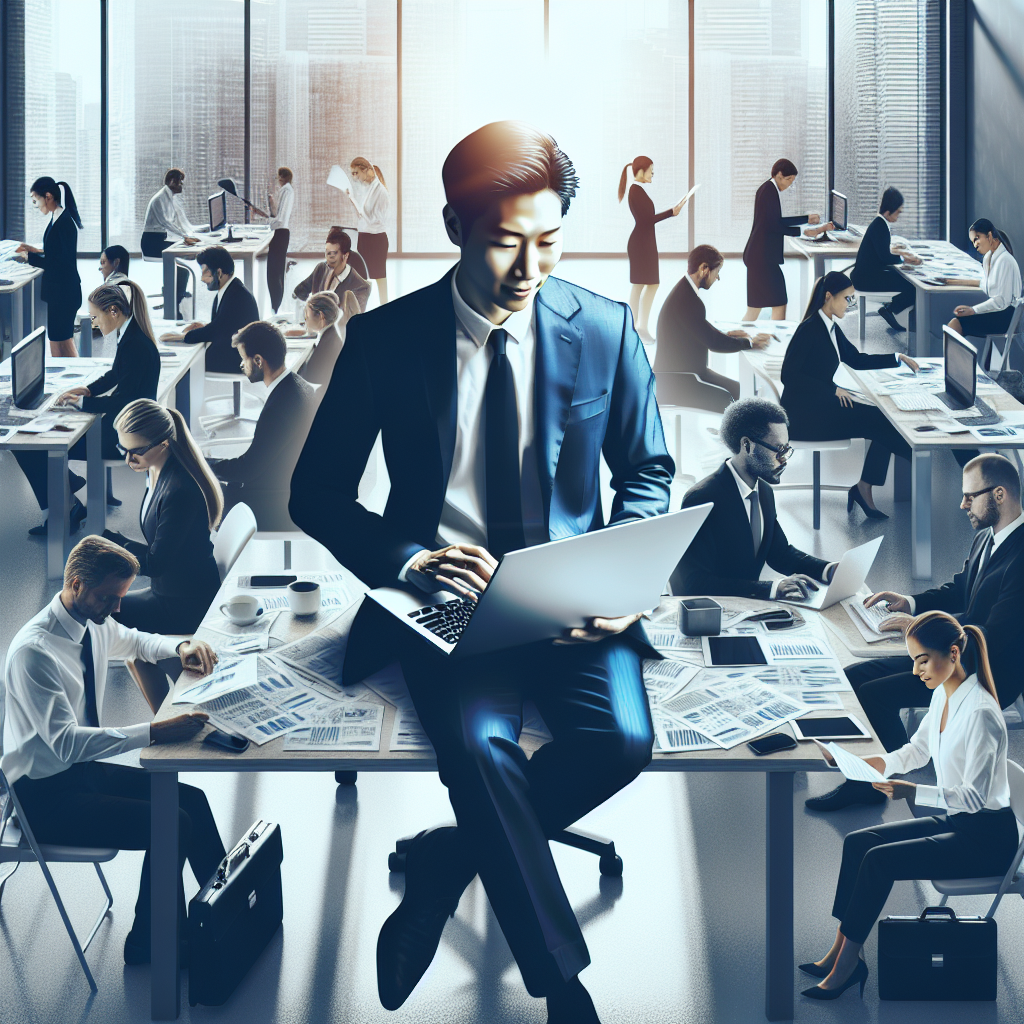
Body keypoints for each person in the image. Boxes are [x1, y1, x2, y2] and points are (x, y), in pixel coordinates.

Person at [290, 120, 673, 1024]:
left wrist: (619, 575)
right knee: (477, 747)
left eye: (549, 240)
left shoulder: (607, 331)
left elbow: (648, 470)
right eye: (506, 241)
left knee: (621, 742)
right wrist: (412, 559)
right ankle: (561, 984)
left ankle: (446, 861)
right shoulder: (384, 340)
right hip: (444, 603)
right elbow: (317, 493)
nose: (529, 266)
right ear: (458, 225)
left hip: (575, 597)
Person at [1, 535, 227, 966]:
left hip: (78, 774)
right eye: (109, 597)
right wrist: (155, 732)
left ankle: (219, 911)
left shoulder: (93, 622)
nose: (117, 608)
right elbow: (65, 743)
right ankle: (152, 942)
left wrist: (180, 647)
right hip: (43, 798)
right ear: (75, 583)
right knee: (173, 823)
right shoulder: (35, 653)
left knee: (191, 802)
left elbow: (138, 641)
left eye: (120, 597)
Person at [800, 611, 1018, 1001]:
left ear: (953, 654)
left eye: (922, 660)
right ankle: (842, 949)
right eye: (912, 661)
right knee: (858, 842)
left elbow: (974, 798)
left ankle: (847, 966)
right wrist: (858, 763)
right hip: (962, 824)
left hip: (987, 840)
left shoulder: (982, 714)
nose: (916, 671)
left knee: (879, 861)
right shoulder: (943, 696)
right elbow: (915, 751)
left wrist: (912, 793)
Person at [808, 453, 1024, 811]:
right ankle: (869, 779)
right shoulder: (988, 536)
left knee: (875, 694)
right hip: (952, 654)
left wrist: (921, 630)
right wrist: (908, 602)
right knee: (853, 678)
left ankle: (873, 786)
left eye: (971, 496)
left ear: (999, 495)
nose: (962, 504)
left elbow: (994, 635)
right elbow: (960, 588)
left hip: (985, 671)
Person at [13, 281, 160, 537]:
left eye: (95, 316)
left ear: (113, 311)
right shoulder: (132, 333)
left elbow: (120, 402)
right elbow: (116, 373)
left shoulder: (135, 345)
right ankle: (69, 497)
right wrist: (89, 389)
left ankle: (59, 514)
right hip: (127, 424)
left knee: (30, 444)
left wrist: (80, 404)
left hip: (126, 437)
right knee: (34, 440)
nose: (94, 323)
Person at [780, 270, 917, 519]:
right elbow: (789, 377)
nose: (850, 305)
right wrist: (832, 389)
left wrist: (897, 358)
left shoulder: (830, 326)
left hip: (821, 406)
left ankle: (868, 485)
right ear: (829, 297)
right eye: (847, 299)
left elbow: (855, 359)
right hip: (805, 418)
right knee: (879, 421)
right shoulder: (809, 330)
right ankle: (915, 458)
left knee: (881, 416)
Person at [670, 398, 837, 599]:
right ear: (747, 445)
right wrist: (771, 589)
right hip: (714, 615)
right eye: (778, 450)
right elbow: (694, 583)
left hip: (749, 607)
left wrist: (829, 570)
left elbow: (780, 554)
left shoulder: (764, 491)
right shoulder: (702, 498)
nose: (784, 459)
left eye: (787, 450)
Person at [100, 399, 223, 637]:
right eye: (123, 449)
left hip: (184, 606)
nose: (128, 460)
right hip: (169, 591)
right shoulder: (157, 470)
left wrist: (111, 548)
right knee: (89, 601)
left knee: (87, 608)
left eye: (137, 451)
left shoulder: (179, 491)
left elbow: (156, 564)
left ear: (164, 443)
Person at [210, 321, 316, 530]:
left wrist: (204, 465)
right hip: (293, 489)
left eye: (244, 360)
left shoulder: (281, 405)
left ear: (258, 360)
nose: (242, 366)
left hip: (277, 505)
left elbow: (248, 469)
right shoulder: (298, 386)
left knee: (198, 496)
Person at [654, 243, 771, 405]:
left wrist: (728, 335)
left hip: (679, 375)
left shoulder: (684, 292)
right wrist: (749, 343)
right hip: (682, 381)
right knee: (739, 393)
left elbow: (700, 328)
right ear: (704, 269)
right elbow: (713, 343)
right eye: (717, 272)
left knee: (740, 389)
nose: (717, 278)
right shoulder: (689, 300)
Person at [742, 158, 829, 321]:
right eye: (789, 180)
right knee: (779, 302)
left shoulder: (767, 188)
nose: (789, 185)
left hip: (757, 256)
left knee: (754, 309)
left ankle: (739, 343)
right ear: (779, 175)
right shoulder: (769, 191)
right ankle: (777, 341)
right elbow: (775, 226)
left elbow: (776, 221)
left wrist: (806, 219)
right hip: (762, 259)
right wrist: (805, 232)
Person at [159, 246, 259, 373]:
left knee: (185, 362)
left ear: (219, 272)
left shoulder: (236, 296)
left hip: (237, 360)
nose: (202, 279)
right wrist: (203, 326)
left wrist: (182, 337)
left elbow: (216, 331)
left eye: (206, 273)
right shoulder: (231, 289)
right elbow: (224, 325)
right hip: (233, 352)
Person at [617, 156, 686, 339]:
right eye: (651, 172)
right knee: (640, 285)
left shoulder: (637, 190)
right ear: (641, 171)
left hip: (645, 243)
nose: (652, 176)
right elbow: (647, 220)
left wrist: (672, 212)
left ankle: (639, 327)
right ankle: (635, 328)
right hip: (641, 244)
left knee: (647, 284)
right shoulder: (636, 191)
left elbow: (647, 220)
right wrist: (672, 212)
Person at [14, 176, 83, 357]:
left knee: (62, 343)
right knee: (58, 341)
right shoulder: (57, 219)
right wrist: (33, 249)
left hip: (64, 293)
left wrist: (28, 256)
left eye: (36, 200)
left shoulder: (64, 223)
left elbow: (58, 263)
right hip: (61, 292)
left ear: (48, 196)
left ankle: (77, 381)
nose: (36, 205)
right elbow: (55, 252)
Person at [850, 186, 921, 332]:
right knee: (914, 287)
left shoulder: (879, 223)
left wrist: (901, 255)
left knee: (906, 280)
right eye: (897, 213)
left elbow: (882, 253)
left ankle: (891, 309)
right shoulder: (880, 227)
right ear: (889, 212)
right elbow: (885, 258)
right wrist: (904, 259)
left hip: (867, 274)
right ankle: (890, 309)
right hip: (867, 280)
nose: (898, 216)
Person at [948, 218, 1022, 353]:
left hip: (1006, 317)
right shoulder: (988, 258)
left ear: (989, 236)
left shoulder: (1005, 260)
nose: (975, 244)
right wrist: (958, 281)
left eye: (977, 239)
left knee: (955, 324)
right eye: (972, 241)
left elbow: (1001, 301)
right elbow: (987, 285)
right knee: (955, 322)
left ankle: (957, 370)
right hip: (998, 312)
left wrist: (973, 310)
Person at [141, 168, 199, 317]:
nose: (182, 185)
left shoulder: (171, 198)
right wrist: (185, 237)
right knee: (182, 263)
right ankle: (172, 303)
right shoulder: (160, 199)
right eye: (180, 182)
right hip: (152, 242)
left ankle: (174, 298)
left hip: (161, 238)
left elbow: (181, 221)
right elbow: (166, 223)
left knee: (183, 262)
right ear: (172, 182)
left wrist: (193, 233)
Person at [291, 227, 371, 311]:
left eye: (333, 254)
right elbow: (300, 291)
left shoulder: (361, 287)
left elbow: (353, 320)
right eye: (327, 253)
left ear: (345, 256)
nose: (329, 258)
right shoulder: (321, 268)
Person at [348, 157, 390, 304]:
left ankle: (384, 308)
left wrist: (356, 205)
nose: (355, 177)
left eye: (356, 173)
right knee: (360, 276)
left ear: (366, 170)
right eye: (352, 174)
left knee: (379, 277)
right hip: (364, 238)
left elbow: (375, 220)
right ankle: (359, 309)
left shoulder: (381, 192)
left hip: (376, 239)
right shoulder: (368, 189)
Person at [299, 290, 359, 388]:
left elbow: (311, 379)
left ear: (321, 316)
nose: (306, 320)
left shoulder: (328, 343)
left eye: (307, 316)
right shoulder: (331, 333)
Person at [266, 166, 294, 314]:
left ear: (282, 177)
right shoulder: (286, 190)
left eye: (278, 177)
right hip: (281, 232)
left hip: (280, 232)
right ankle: (274, 306)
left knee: (274, 273)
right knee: (275, 272)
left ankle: (275, 307)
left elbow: (281, 219)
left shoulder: (286, 191)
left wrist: (268, 224)